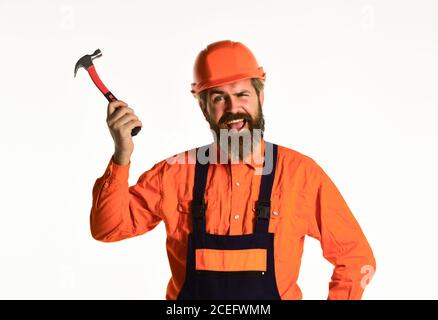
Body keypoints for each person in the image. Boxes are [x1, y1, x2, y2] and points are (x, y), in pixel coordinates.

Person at [90, 40, 376, 300]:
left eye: (242, 94)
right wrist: (121, 155)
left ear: (260, 98)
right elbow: (108, 228)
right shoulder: (175, 173)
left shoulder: (299, 174)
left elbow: (356, 257)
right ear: (204, 108)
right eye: (218, 98)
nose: (232, 108)